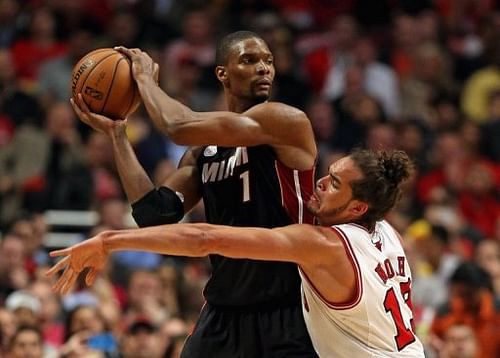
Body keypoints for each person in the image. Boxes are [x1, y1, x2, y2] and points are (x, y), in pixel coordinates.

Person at [70, 31, 318, 357]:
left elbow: (177, 126)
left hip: (288, 305)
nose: (264, 68)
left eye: (268, 61)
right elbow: (154, 214)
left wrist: (144, 79)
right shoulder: (205, 152)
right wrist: (118, 135)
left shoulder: (285, 120)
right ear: (222, 74)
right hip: (225, 309)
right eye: (249, 60)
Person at [47, 149, 425, 357]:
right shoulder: (388, 234)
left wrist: (109, 240)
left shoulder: (322, 244)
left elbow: (204, 238)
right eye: (329, 173)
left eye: (335, 184)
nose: (321, 182)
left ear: (358, 207)